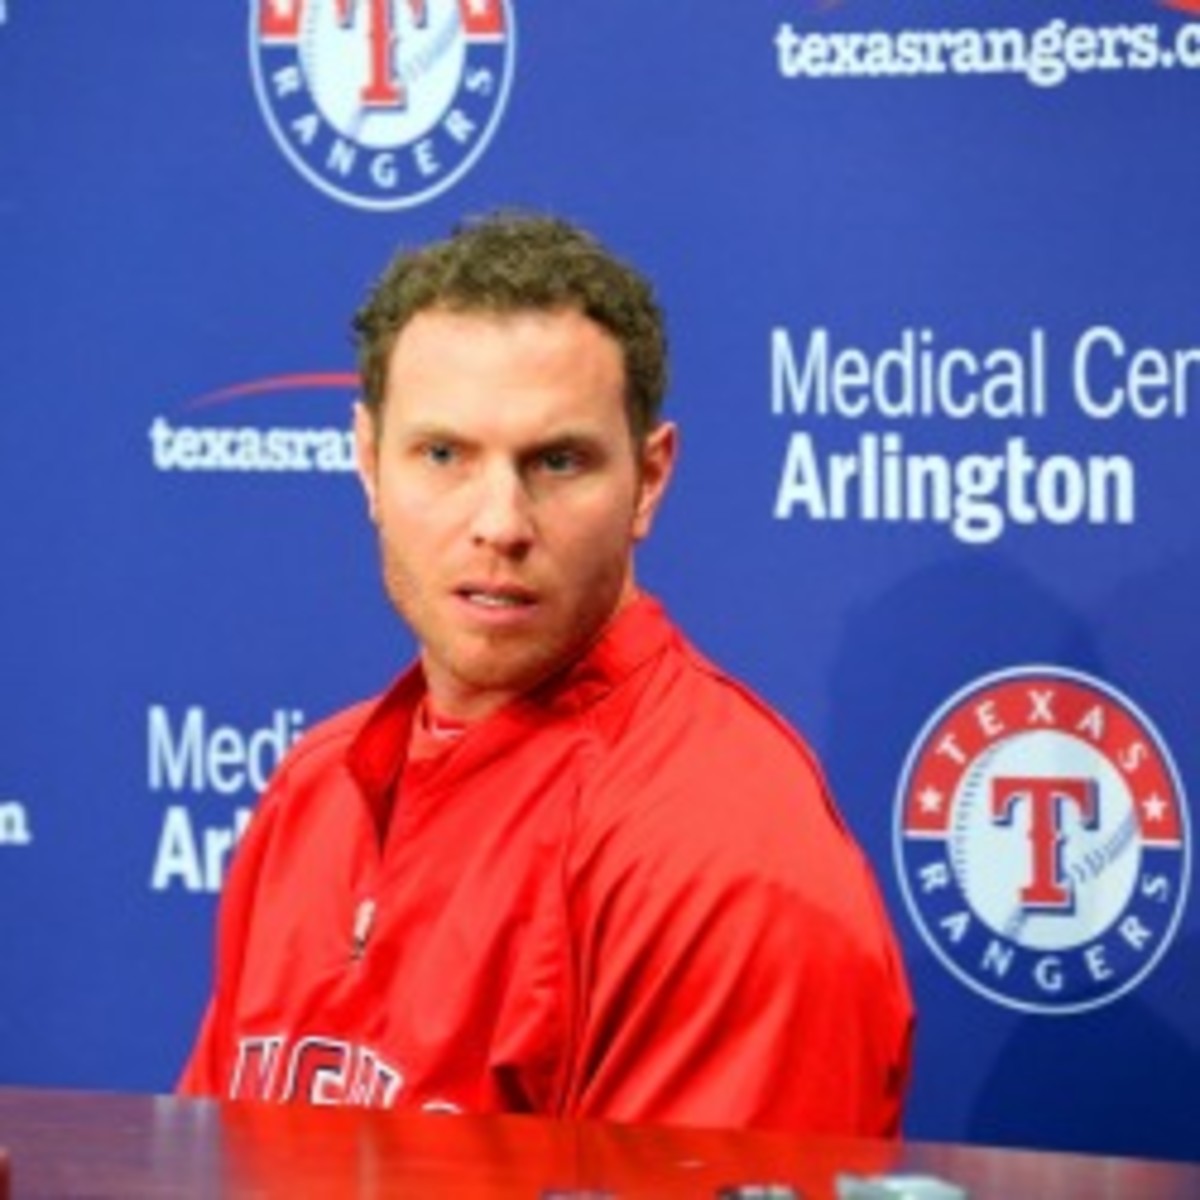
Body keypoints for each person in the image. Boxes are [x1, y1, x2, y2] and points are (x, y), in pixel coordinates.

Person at [179, 211, 914, 1135]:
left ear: (649, 480)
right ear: (368, 461)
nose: (500, 522)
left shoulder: (728, 858)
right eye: (443, 455)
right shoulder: (312, 794)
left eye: (557, 462)